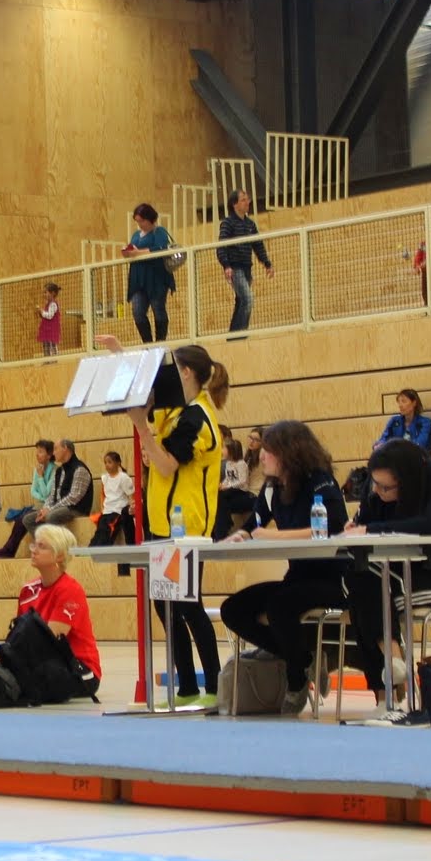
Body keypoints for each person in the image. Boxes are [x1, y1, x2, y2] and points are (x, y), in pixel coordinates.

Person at [216, 420, 351, 715]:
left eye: (268, 451)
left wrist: (270, 536)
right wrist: (240, 536)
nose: (262, 456)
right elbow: (254, 523)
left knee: (279, 605)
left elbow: (331, 531)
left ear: (290, 452)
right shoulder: (272, 487)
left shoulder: (321, 482)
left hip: (333, 580)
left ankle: (296, 679)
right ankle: (303, 658)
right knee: (233, 609)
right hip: (297, 578)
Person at [124, 342, 228, 704]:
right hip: (161, 523)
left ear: (186, 373)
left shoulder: (198, 418)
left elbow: (167, 465)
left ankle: (214, 687)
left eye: (171, 371)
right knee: (164, 604)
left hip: (187, 527)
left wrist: (141, 428)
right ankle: (186, 686)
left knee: (187, 604)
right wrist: (121, 354)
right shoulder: (176, 411)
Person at [339, 441, 431, 697]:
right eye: (375, 484)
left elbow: (429, 526)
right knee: (359, 584)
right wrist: (356, 526)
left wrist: (370, 529)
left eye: (385, 487)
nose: (377, 491)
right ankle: (392, 668)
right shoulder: (378, 485)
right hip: (400, 574)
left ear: (405, 481)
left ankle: (389, 686)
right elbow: (365, 521)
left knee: (368, 601)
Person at [17, 524, 101, 701]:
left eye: (42, 546)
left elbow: (49, 641)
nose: (34, 550)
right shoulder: (28, 590)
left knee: (33, 678)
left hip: (79, 667)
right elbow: (19, 636)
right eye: (34, 544)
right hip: (41, 661)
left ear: (60, 555)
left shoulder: (70, 590)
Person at [0, 438, 93, 560]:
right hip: (60, 507)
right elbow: (52, 495)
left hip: (76, 508)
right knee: (28, 519)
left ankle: (59, 549)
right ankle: (49, 547)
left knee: (52, 516)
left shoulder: (80, 469)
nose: (53, 453)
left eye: (56, 449)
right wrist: (45, 508)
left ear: (65, 449)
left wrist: (50, 510)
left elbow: (74, 498)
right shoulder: (60, 471)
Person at [216, 189, 271, 334]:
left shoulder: (250, 224)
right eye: (243, 200)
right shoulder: (227, 223)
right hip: (235, 269)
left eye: (248, 199)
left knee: (241, 301)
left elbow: (258, 245)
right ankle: (240, 334)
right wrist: (226, 266)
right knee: (248, 299)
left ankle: (234, 334)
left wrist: (267, 263)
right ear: (235, 204)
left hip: (247, 269)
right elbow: (221, 246)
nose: (248, 202)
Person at [122, 203, 176, 343]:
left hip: (156, 278)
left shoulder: (159, 232)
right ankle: (147, 343)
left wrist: (138, 252)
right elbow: (133, 250)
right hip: (138, 279)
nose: (140, 225)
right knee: (138, 312)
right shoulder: (135, 235)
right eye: (137, 221)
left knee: (158, 309)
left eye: (142, 221)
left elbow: (161, 248)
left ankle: (160, 342)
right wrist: (128, 252)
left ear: (150, 218)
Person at [0, 440, 56, 555]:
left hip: (47, 507)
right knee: (19, 519)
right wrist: (42, 496)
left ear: (49, 455)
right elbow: (33, 491)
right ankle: (8, 550)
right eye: (37, 451)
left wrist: (41, 477)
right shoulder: (37, 469)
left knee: (22, 519)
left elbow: (47, 494)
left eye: (41, 451)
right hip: (38, 505)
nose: (37, 454)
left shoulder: (55, 470)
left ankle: (8, 551)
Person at [92, 450, 135, 547]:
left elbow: (131, 495)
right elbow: (103, 495)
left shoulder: (123, 478)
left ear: (118, 463)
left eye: (109, 462)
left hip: (117, 511)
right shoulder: (105, 478)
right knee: (99, 532)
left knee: (107, 534)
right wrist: (102, 509)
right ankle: (93, 548)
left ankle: (103, 548)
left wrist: (132, 508)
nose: (107, 465)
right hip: (106, 511)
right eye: (105, 463)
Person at [373, 387, 431, 453]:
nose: (400, 405)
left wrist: (397, 448)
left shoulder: (425, 423)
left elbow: (420, 444)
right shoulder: (394, 421)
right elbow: (383, 438)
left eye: (404, 401)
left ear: (414, 403)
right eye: (399, 402)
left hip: (417, 456)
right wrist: (379, 445)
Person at [37, 282, 63, 357]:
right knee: (46, 346)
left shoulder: (53, 304)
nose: (44, 294)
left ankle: (53, 359)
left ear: (52, 293)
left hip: (51, 330)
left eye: (46, 292)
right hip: (47, 330)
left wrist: (42, 311)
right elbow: (46, 316)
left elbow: (49, 316)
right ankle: (47, 359)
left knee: (51, 345)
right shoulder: (48, 304)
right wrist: (40, 313)